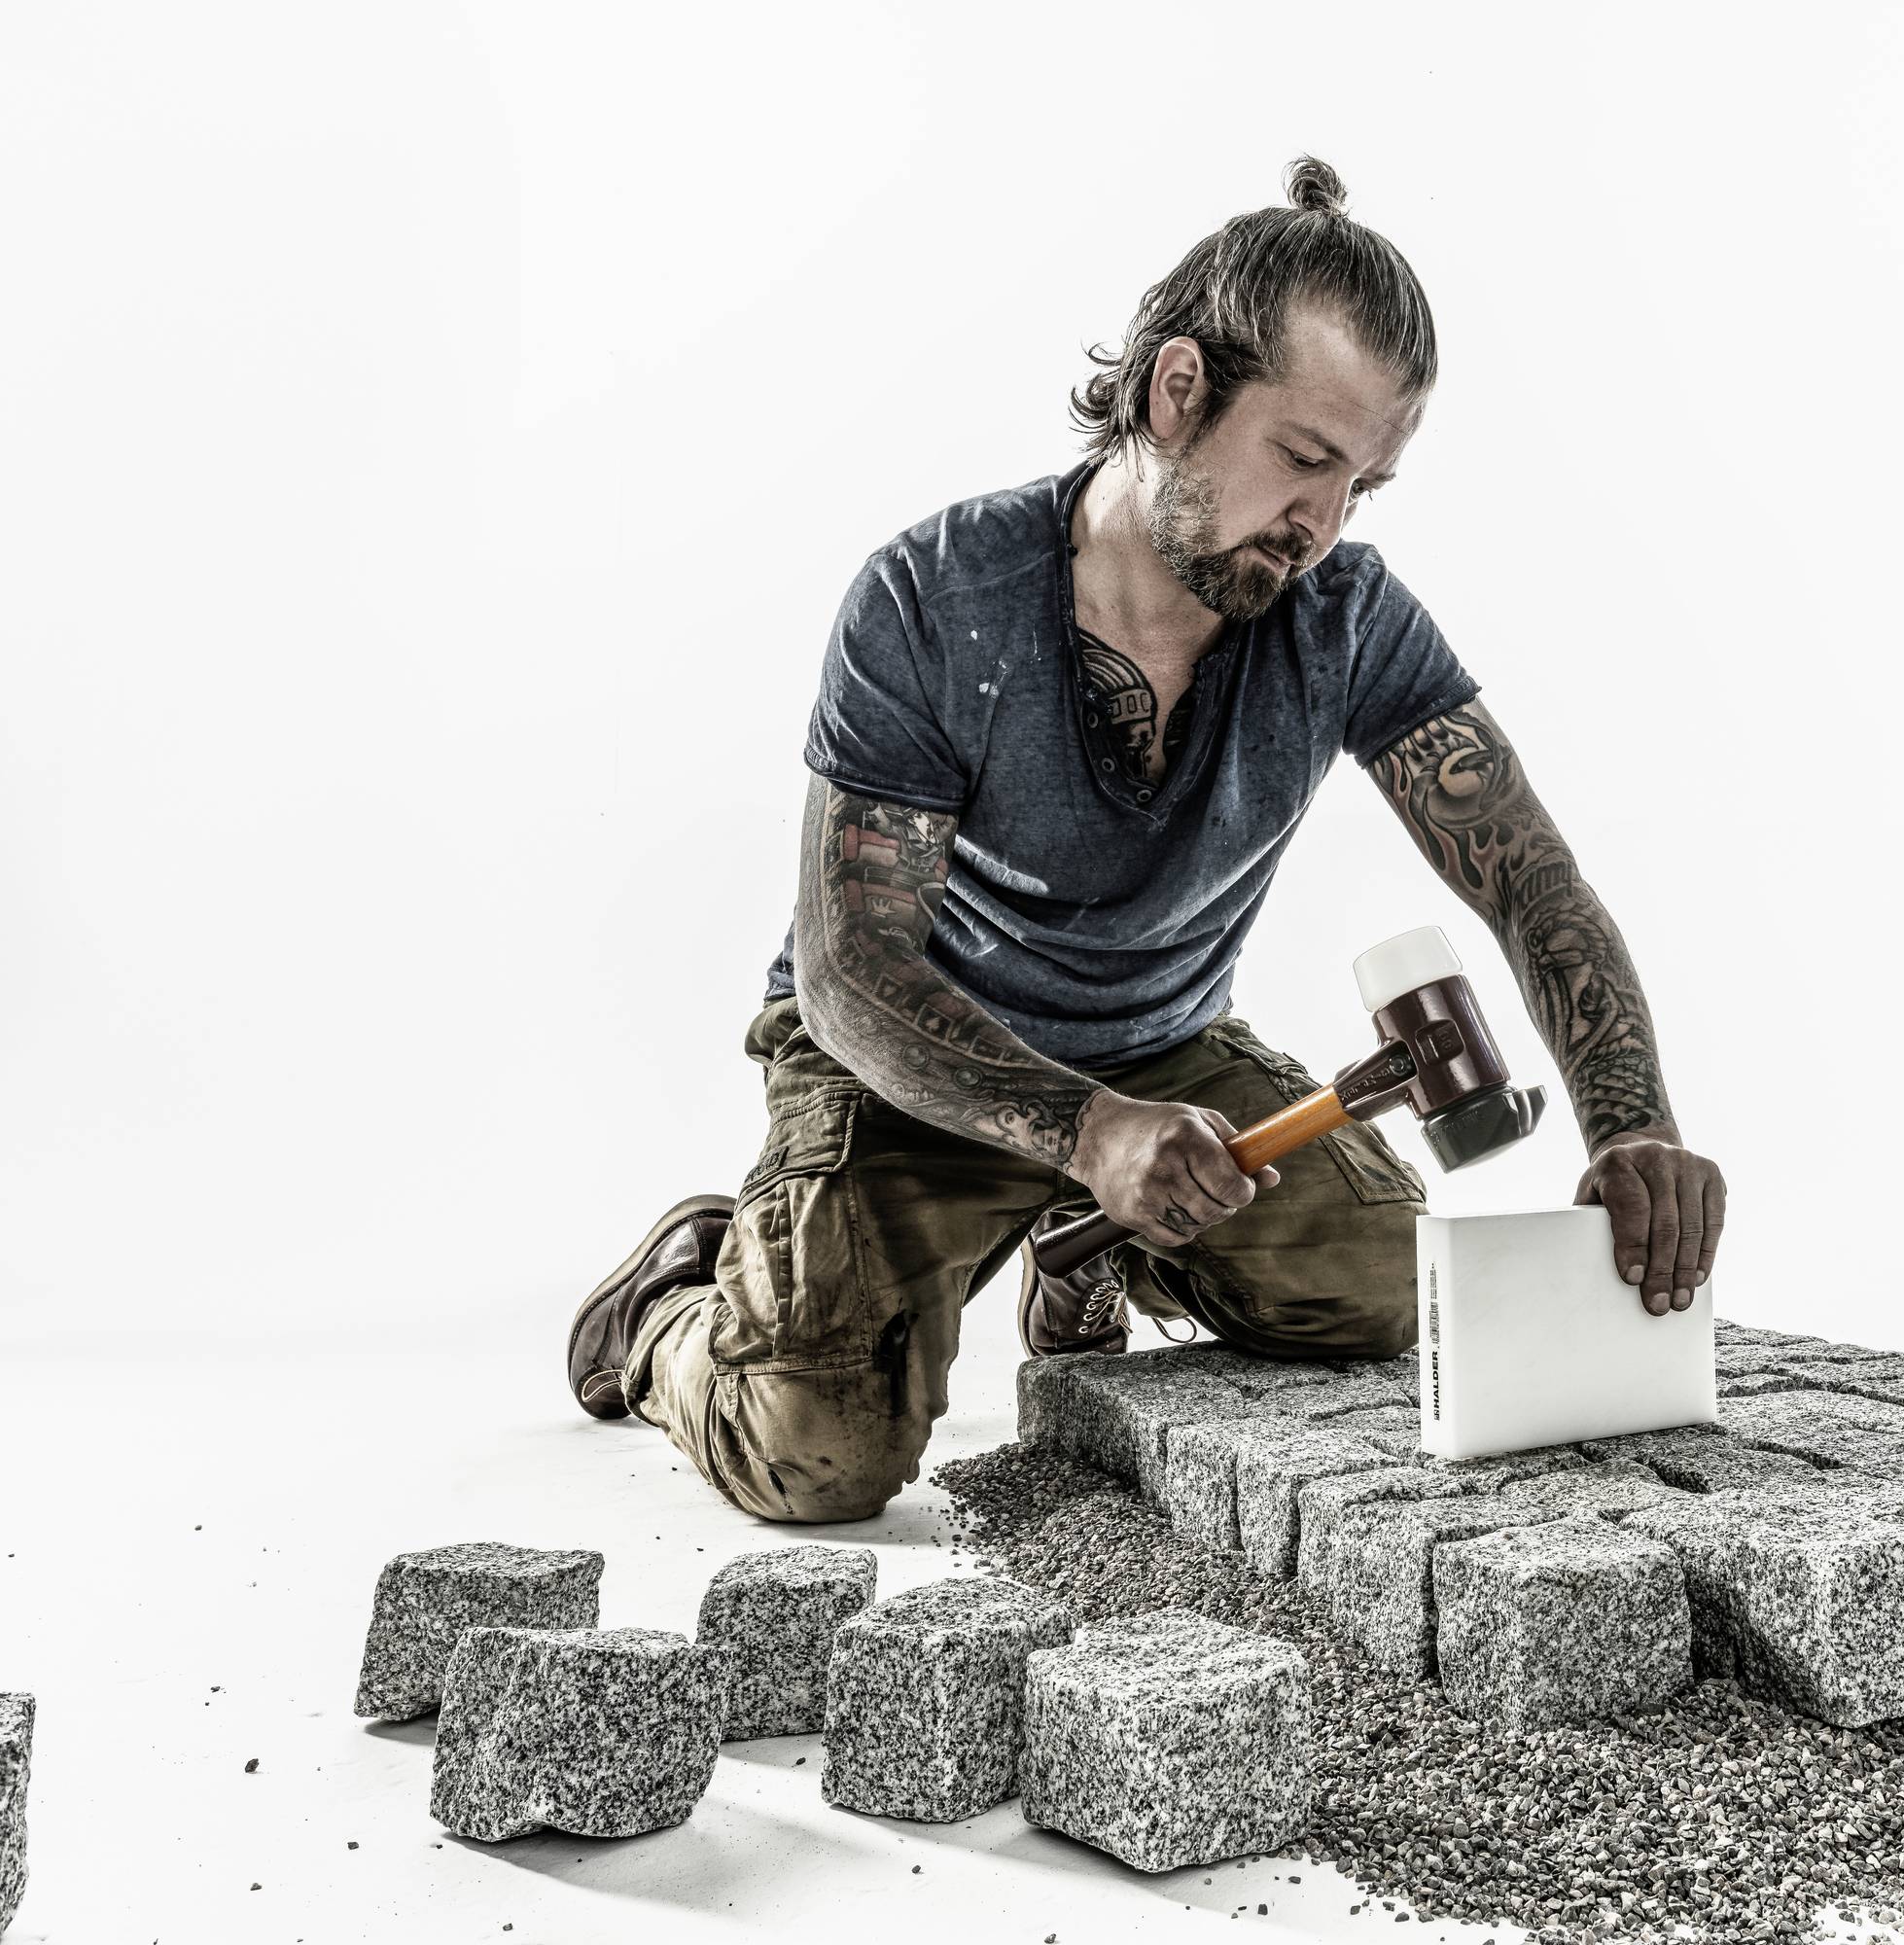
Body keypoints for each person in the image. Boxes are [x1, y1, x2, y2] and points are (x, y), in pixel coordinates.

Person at [565, 157, 1729, 1523]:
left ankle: (1084, 1255)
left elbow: (1534, 888)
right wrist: (1083, 1129)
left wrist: (1635, 1128)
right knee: (818, 1452)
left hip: (1161, 1059)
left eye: (1363, 484)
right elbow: (848, 975)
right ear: (1178, 391)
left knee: (1381, 1289)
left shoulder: (1343, 617)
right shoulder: (934, 601)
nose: (1322, 525)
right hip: (909, 1070)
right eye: (1303, 459)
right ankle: (672, 1311)